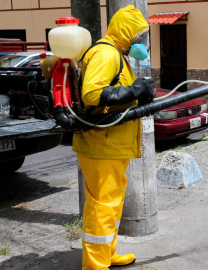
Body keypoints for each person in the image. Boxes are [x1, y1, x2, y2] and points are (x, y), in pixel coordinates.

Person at [73, 5, 155, 270]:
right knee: (102, 204)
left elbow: (116, 95)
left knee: (111, 203)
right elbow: (92, 94)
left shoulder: (117, 54)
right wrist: (134, 90)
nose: (141, 42)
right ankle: (95, 265)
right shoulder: (106, 53)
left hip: (111, 145)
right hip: (102, 145)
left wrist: (137, 91)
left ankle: (106, 255)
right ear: (126, 32)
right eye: (139, 36)